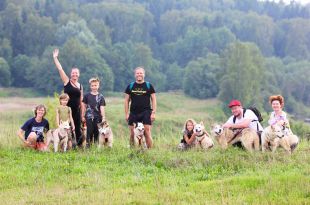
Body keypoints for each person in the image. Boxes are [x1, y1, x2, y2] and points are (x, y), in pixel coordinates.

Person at [53, 48, 83, 147]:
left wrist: (82, 114)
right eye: (73, 73)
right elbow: (60, 69)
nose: (75, 74)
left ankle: (78, 147)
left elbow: (81, 100)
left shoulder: (80, 86)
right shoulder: (67, 81)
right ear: (71, 74)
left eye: (76, 73)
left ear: (79, 74)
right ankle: (64, 146)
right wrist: (55, 58)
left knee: (78, 129)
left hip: (77, 111)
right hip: (66, 110)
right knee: (65, 128)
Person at [124, 67, 156, 149]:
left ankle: (150, 151)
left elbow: (154, 99)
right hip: (133, 112)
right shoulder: (130, 86)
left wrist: (153, 113)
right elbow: (126, 100)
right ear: (135, 75)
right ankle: (132, 150)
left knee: (147, 132)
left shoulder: (149, 86)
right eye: (137, 73)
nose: (139, 74)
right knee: (132, 133)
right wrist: (127, 114)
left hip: (146, 112)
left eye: (141, 73)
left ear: (144, 74)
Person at [81, 77, 106, 147]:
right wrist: (82, 116)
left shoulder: (101, 97)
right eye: (92, 86)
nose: (94, 87)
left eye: (95, 85)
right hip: (89, 117)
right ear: (90, 86)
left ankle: (96, 146)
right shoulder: (87, 96)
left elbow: (102, 107)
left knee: (97, 132)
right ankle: (88, 146)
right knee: (89, 131)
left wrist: (103, 117)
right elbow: (84, 106)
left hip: (98, 117)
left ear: (98, 86)